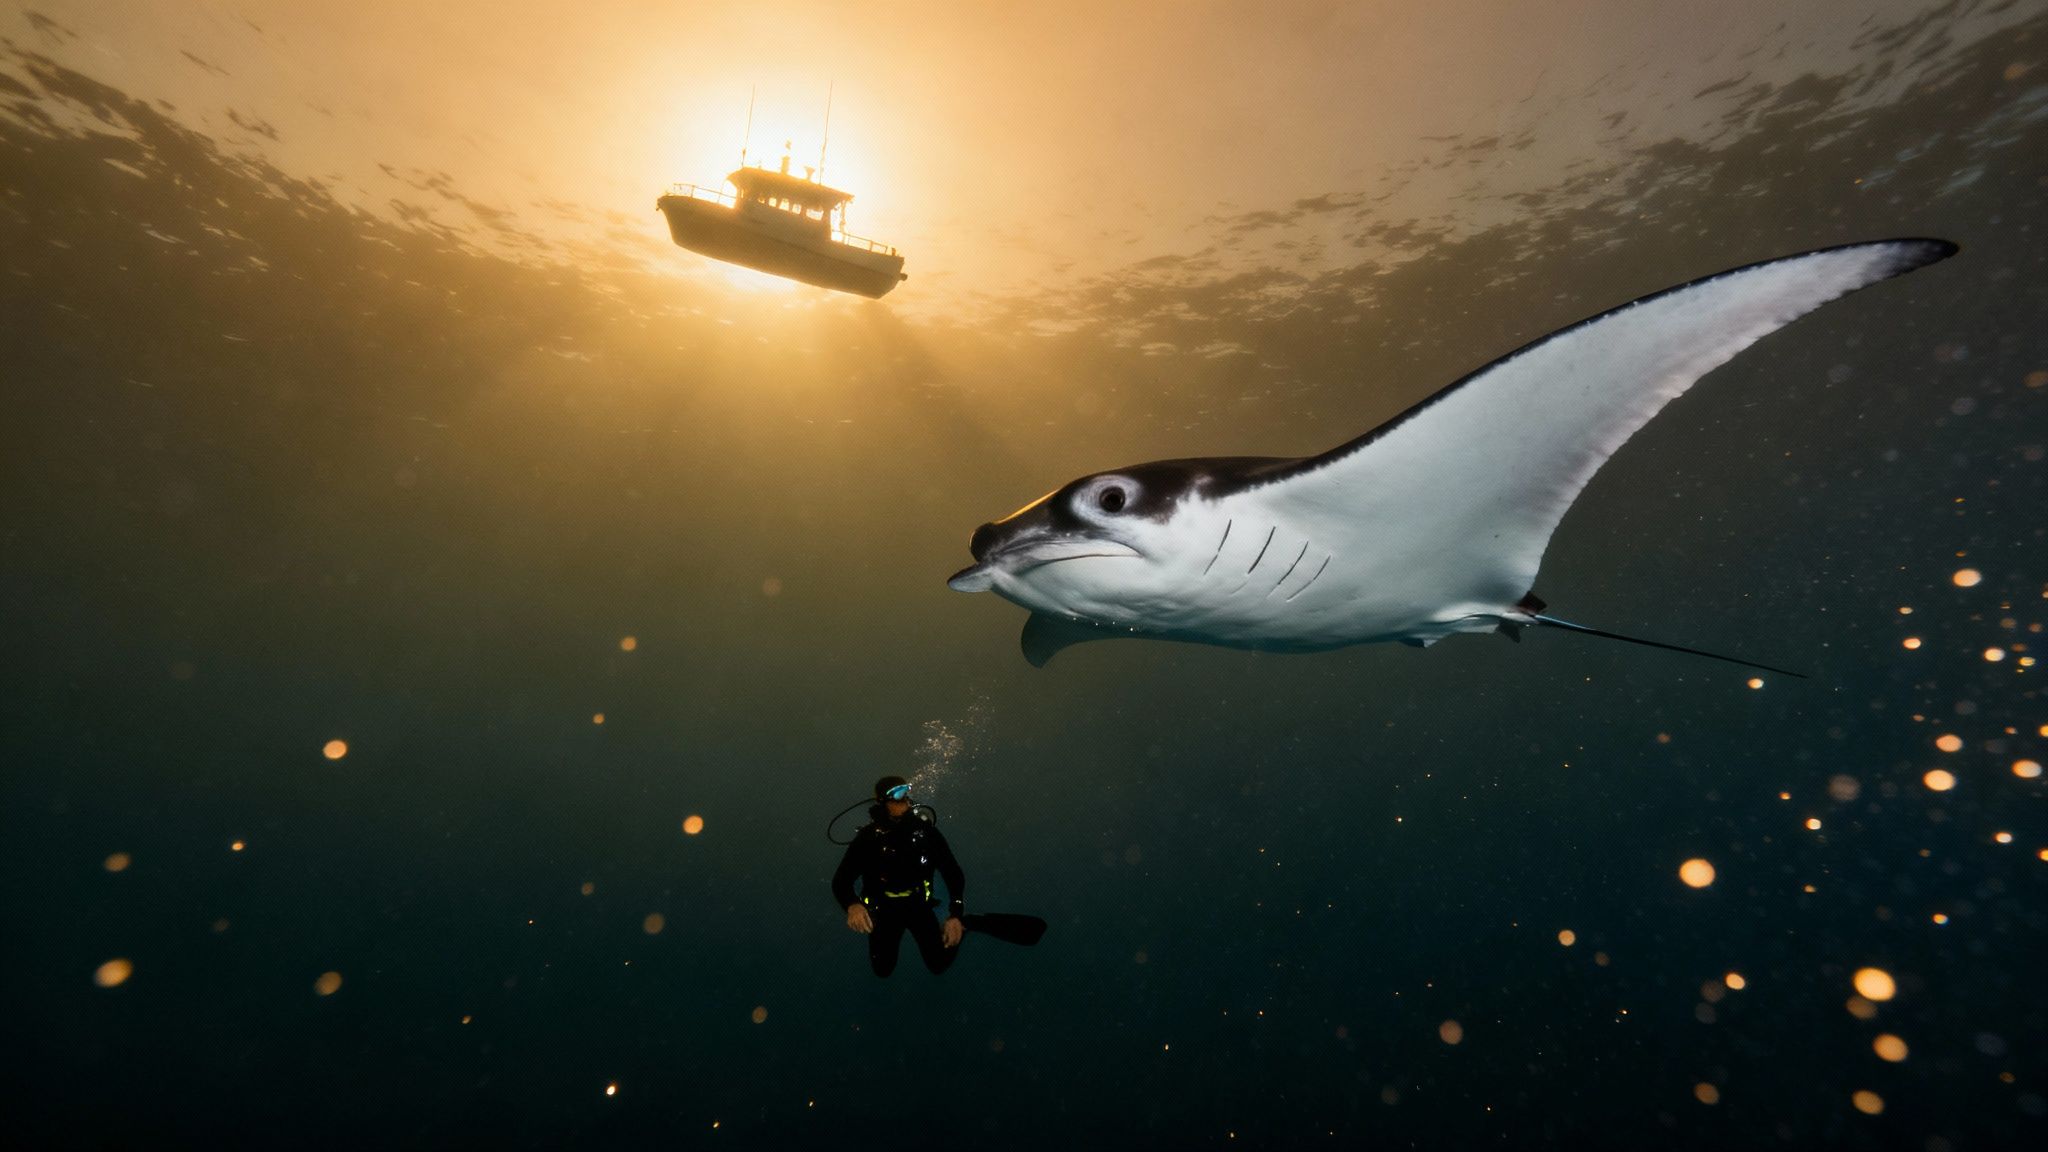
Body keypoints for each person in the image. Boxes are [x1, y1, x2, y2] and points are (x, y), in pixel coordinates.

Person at [831, 776, 965, 977]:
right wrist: (852, 905)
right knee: (882, 969)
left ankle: (966, 926)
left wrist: (956, 915)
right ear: (882, 801)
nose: (904, 799)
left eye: (905, 792)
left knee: (938, 964)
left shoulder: (924, 832)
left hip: (918, 903)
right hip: (883, 907)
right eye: (897, 794)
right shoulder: (869, 838)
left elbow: (952, 872)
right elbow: (841, 881)